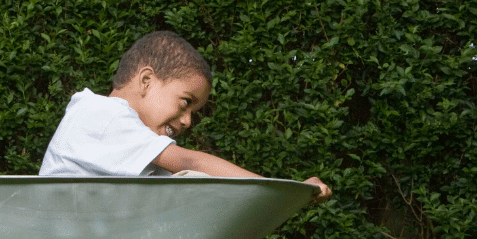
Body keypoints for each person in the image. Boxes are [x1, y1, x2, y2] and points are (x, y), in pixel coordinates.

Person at [39, 31, 332, 202]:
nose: (187, 121)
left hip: (85, 230)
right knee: (192, 178)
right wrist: (283, 193)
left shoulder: (121, 136)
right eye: (185, 102)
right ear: (146, 81)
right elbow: (191, 161)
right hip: (69, 231)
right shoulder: (104, 114)